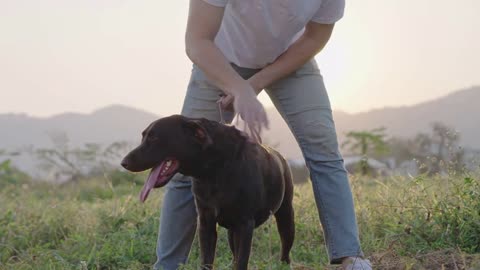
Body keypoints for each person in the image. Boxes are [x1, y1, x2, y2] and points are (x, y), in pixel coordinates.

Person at [154, 0, 372, 269]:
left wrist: (253, 84)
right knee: (185, 154)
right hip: (218, 58)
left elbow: (315, 36)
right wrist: (238, 88)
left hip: (290, 61)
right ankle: (167, 265)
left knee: (324, 151)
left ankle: (349, 255)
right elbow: (197, 41)